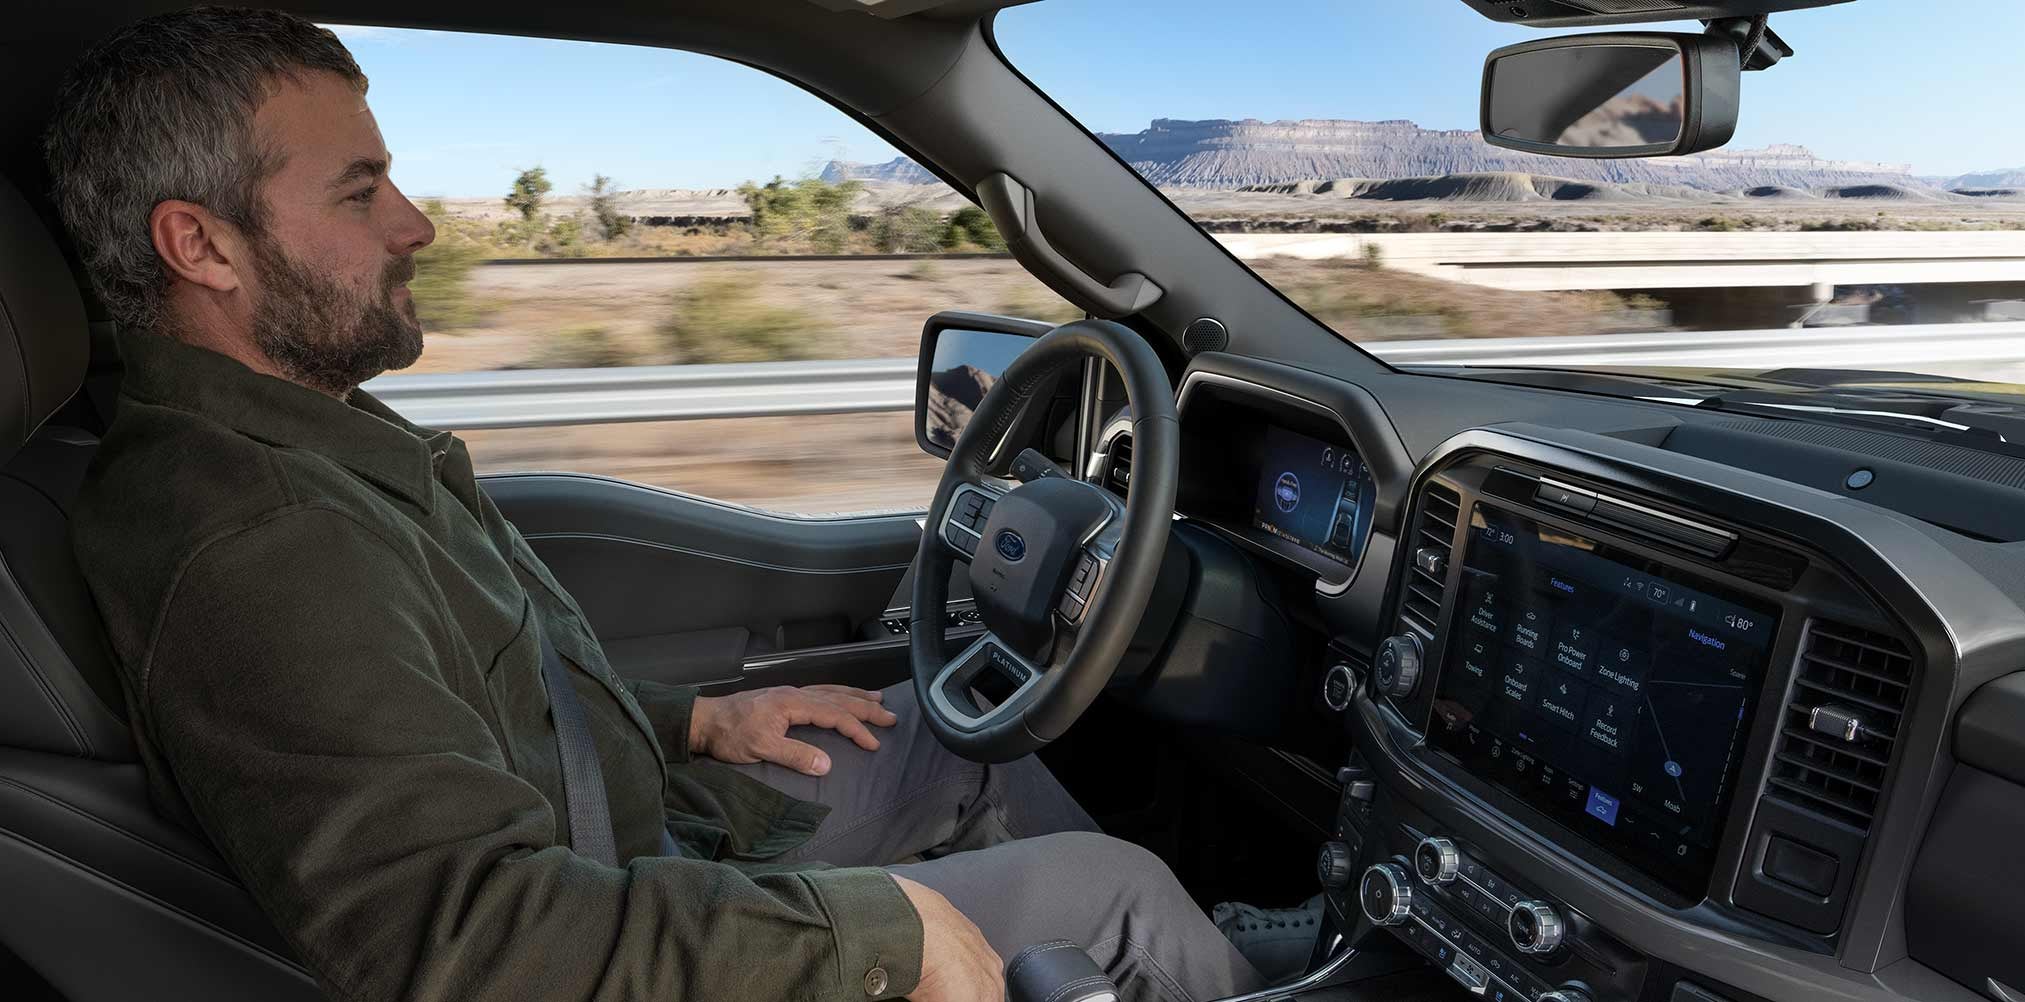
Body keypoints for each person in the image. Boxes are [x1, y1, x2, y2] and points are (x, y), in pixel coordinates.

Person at [43, 7, 1268, 1001]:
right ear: (201, 247)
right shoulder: (260, 544)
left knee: (948, 734)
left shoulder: (291, 434)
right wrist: (880, 942)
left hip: (643, 835)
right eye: (360, 194)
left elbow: (471, 700)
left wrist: (692, 726)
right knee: (1115, 895)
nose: (416, 225)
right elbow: (466, 941)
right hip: (614, 908)